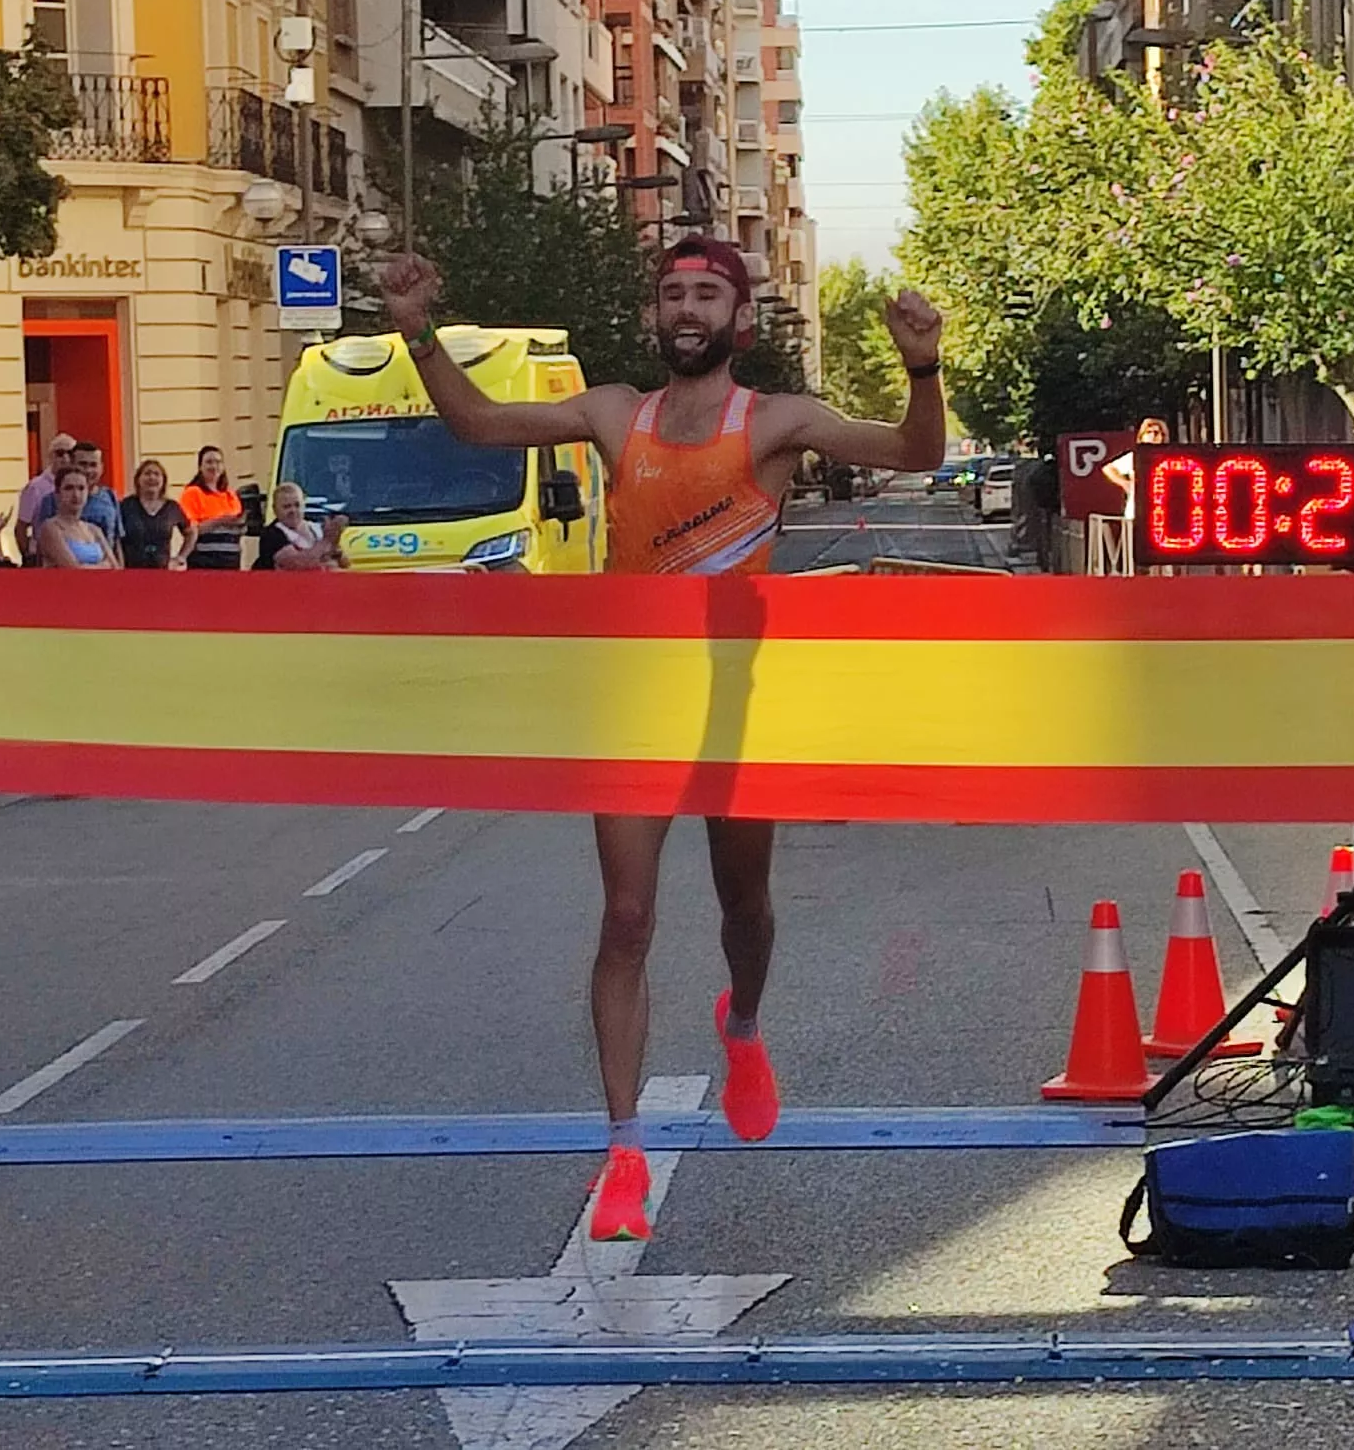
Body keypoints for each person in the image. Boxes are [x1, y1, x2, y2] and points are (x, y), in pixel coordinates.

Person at [379, 237, 946, 1243]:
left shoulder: (776, 422)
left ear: (739, 320)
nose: (686, 308)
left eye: (707, 295)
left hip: (738, 706)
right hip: (633, 699)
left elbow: (914, 455)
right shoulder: (612, 413)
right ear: (657, 315)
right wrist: (417, 332)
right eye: (672, 294)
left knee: (744, 906)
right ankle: (625, 1152)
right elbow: (476, 424)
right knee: (627, 918)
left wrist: (920, 368)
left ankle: (742, 1027)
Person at [36, 441, 122, 560]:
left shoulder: (110, 496)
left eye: (93, 465)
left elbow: (117, 541)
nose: (88, 470)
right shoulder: (50, 501)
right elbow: (41, 546)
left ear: (101, 467)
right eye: (83, 464)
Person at [119, 458, 196, 570]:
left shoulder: (172, 507)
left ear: (163, 480)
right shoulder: (126, 505)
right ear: (138, 479)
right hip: (131, 570)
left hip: (163, 571)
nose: (152, 477)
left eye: (157, 474)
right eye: (147, 473)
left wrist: (181, 557)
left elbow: (191, 532)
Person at [252, 481, 348, 571]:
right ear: (275, 509)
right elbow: (298, 564)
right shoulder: (271, 535)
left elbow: (344, 564)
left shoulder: (316, 528)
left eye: (297, 505)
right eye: (287, 507)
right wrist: (327, 541)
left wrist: (336, 547)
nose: (293, 511)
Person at [179, 446, 245, 570]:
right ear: (200, 467)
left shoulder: (230, 495)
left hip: (231, 561)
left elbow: (238, 526)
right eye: (209, 462)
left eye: (218, 462)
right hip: (204, 561)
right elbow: (190, 530)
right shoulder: (192, 493)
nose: (214, 466)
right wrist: (220, 521)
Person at [16, 432, 75, 565]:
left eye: (70, 453)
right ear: (51, 456)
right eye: (60, 453)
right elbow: (21, 526)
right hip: (42, 557)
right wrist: (27, 557)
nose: (65, 458)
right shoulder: (35, 487)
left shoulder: (79, 485)